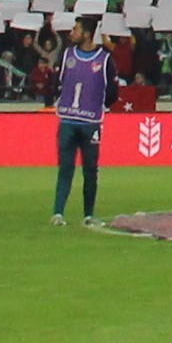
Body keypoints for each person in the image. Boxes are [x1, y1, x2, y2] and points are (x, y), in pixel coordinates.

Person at [49, 21, 112, 223]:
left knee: (90, 170)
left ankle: (89, 214)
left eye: (76, 29)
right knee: (65, 167)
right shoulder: (67, 54)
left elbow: (112, 91)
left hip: (90, 122)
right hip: (68, 119)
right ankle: (58, 213)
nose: (72, 32)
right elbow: (56, 82)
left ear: (87, 33)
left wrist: (96, 105)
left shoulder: (105, 59)